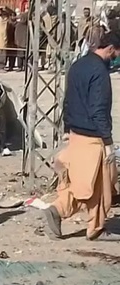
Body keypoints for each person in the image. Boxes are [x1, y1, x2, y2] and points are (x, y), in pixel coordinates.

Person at [43, 31, 120, 242]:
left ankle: (57, 210)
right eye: (117, 53)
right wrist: (108, 141)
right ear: (111, 49)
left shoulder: (78, 65)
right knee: (100, 186)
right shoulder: (100, 72)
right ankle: (95, 228)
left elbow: (67, 100)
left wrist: (67, 128)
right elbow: (98, 109)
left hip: (76, 133)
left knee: (80, 183)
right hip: (93, 137)